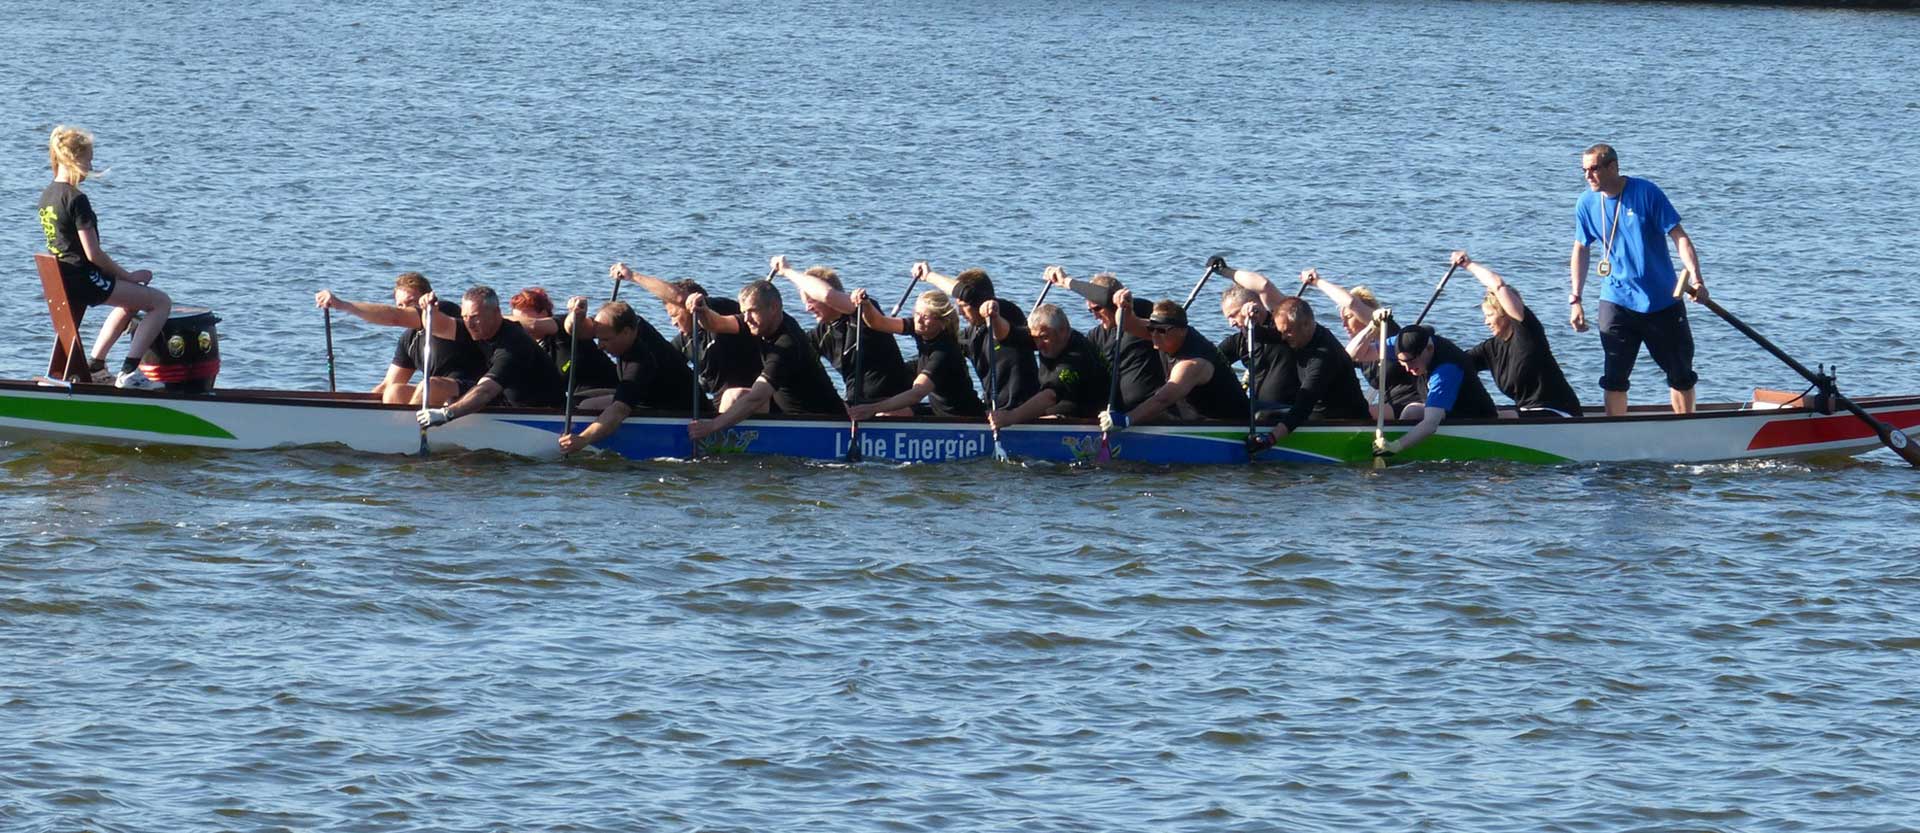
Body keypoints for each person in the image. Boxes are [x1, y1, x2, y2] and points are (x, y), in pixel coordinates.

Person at [1570, 143, 1708, 416]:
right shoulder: (1586, 203)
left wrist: (1697, 279)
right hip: (1615, 301)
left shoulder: (1646, 193)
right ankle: (1613, 439)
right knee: (1614, 378)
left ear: (1613, 167)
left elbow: (1679, 237)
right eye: (1584, 170)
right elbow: (1581, 248)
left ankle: (1686, 429)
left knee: (1680, 375)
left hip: (1662, 302)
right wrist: (1575, 297)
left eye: (1594, 169)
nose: (1588, 176)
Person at [37, 126, 172, 388]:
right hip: (85, 279)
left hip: (67, 279)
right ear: (74, 159)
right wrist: (129, 277)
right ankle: (130, 373)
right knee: (161, 302)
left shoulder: (47, 196)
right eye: (89, 158)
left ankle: (96, 366)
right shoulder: (77, 200)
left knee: (130, 301)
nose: (91, 164)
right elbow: (93, 254)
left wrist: (124, 281)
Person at [687, 280, 846, 441]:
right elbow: (716, 324)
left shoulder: (787, 343)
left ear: (774, 307)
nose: (747, 319)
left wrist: (711, 426)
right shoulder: (760, 322)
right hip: (784, 411)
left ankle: (715, 448)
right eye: (744, 312)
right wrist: (703, 311)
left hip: (821, 422)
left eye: (752, 311)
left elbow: (756, 397)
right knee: (735, 396)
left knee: (745, 398)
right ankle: (720, 447)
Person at [555, 298, 710, 455]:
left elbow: (619, 411)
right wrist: (576, 315)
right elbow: (576, 331)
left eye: (605, 340)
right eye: (599, 338)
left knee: (587, 407)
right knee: (577, 399)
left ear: (626, 332)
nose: (600, 346)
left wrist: (583, 440)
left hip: (680, 411)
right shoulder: (630, 322)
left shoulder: (641, 361)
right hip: (647, 395)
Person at [316, 271, 484, 405]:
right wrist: (351, 409)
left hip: (477, 391)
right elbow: (387, 384)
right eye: (401, 305)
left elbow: (395, 317)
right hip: (443, 396)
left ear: (427, 298)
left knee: (428, 386)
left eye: (411, 303)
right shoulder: (409, 339)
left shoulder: (444, 311)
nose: (406, 309)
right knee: (394, 391)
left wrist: (342, 305)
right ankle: (394, 432)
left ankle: (408, 430)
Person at [611, 262, 761, 408]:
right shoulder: (684, 341)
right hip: (713, 407)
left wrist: (633, 276)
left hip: (748, 401)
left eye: (675, 315)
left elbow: (680, 298)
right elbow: (661, 367)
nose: (673, 323)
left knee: (731, 396)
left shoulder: (722, 310)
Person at [768, 255, 914, 405]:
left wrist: (787, 271)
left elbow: (827, 295)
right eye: (805, 303)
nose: (807, 308)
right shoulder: (820, 334)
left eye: (811, 301)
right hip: (856, 406)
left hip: (893, 405)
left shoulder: (863, 311)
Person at [416, 286, 567, 429]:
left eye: (475, 317)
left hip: (540, 412)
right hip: (505, 399)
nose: (469, 324)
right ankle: (413, 425)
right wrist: (429, 310)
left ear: (496, 313)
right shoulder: (479, 329)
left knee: (455, 402)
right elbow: (437, 327)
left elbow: (485, 391)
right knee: (433, 386)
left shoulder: (513, 344)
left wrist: (446, 414)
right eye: (465, 317)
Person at [1453, 251, 1582, 418]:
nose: (1486, 322)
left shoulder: (1527, 332)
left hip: (1560, 413)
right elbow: (1457, 363)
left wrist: (1468, 265)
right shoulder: (1490, 348)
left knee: (1499, 417)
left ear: (1505, 313)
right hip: (1527, 414)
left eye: (1489, 315)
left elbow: (1498, 286)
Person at [1098, 293, 1248, 432]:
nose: (1154, 335)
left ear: (1182, 330)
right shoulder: (1167, 333)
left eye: (1161, 331)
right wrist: (1125, 307)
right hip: (1194, 419)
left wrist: (1126, 420)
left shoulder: (1192, 363)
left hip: (1229, 424)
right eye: (1151, 329)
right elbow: (1128, 324)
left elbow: (1163, 399)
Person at [1248, 296, 1372, 447]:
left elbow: (1303, 407)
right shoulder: (1298, 332)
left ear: (1306, 324)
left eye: (1287, 332)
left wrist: (1271, 439)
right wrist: (1251, 319)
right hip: (1315, 411)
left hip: (1343, 421)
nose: (1283, 337)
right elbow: (1266, 336)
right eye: (1281, 332)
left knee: (1264, 415)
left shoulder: (1323, 356)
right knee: (1255, 407)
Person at [845, 288, 986, 419]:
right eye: (917, 313)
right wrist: (867, 305)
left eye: (926, 316)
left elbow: (916, 394)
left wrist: (872, 409)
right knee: (886, 412)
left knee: (883, 413)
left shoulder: (945, 353)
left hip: (963, 417)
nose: (918, 320)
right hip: (938, 410)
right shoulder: (921, 328)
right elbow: (879, 323)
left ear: (942, 322)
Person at [915, 263, 1040, 410]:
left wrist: (929, 275)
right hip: (992, 411)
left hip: (1023, 410)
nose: (960, 313)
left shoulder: (1007, 311)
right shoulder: (970, 334)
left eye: (963, 306)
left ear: (980, 301)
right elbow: (939, 355)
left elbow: (967, 293)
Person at [1302, 269, 1420, 417]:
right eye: (1342, 319)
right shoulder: (1361, 346)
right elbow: (1338, 363)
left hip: (1412, 404)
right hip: (1389, 405)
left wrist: (1317, 282)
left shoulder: (1386, 328)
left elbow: (1351, 303)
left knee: (1351, 413)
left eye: (1349, 317)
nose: (1344, 324)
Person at [1044, 267, 1164, 412]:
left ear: (1114, 303)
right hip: (1110, 412)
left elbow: (1105, 296)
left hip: (1148, 412)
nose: (1095, 316)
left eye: (1097, 309)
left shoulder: (1139, 311)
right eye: (1090, 310)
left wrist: (1066, 281)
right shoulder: (1096, 335)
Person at [1372, 324, 1499, 458]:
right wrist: (1371, 327)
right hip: (1447, 411)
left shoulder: (1446, 370)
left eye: (1412, 362)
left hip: (1474, 418)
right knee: (1412, 410)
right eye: (1403, 362)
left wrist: (1395, 447)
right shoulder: (1404, 345)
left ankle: (1394, 449)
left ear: (1429, 349)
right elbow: (1361, 353)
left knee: (1418, 415)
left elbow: (1431, 424)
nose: (1408, 368)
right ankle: (1391, 447)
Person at [987, 302, 1110, 429]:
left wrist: (1011, 417)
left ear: (1063, 331)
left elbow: (1050, 396)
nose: (1039, 345)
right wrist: (995, 317)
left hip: (1087, 421)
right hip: (1057, 410)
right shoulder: (1047, 336)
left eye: (1044, 338)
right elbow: (1007, 335)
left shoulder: (1077, 356)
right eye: (1035, 339)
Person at [507, 286, 619, 392]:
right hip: (572, 400)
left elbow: (533, 325)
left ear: (544, 313)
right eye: (514, 317)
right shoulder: (526, 346)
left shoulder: (561, 324)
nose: (518, 324)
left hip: (607, 390)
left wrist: (495, 318)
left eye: (521, 319)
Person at [1215, 278, 1298, 411]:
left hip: (1289, 411)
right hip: (1260, 410)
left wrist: (1226, 272)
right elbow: (1208, 359)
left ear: (1251, 305)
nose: (1231, 323)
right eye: (1228, 318)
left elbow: (1264, 285)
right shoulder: (1239, 341)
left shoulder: (1282, 329)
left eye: (1233, 315)